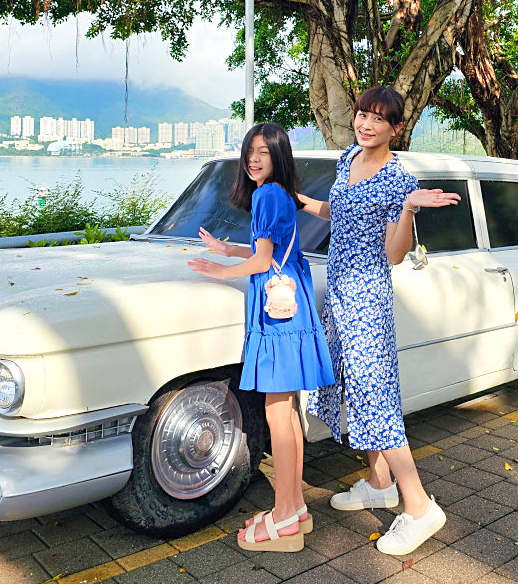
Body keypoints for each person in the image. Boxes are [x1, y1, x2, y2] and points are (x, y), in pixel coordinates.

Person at [300, 86, 461, 556]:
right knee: (353, 386)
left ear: (395, 128)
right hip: (340, 295)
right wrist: (299, 200)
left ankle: (419, 507)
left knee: (377, 400)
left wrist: (410, 207)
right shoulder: (347, 157)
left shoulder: (396, 178)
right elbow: (341, 210)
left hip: (368, 297)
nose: (366, 124)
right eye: (362, 114)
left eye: (378, 119)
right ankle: (379, 483)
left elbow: (393, 254)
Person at [187, 122, 334, 553]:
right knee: (287, 411)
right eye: (250, 151)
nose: (253, 159)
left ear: (278, 156)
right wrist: (227, 249)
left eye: (262, 152)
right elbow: (267, 248)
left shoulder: (268, 194)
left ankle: (286, 514)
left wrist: (221, 270)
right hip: (291, 303)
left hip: (276, 311)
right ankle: (295, 508)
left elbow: (264, 260)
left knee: (278, 413)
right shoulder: (280, 193)